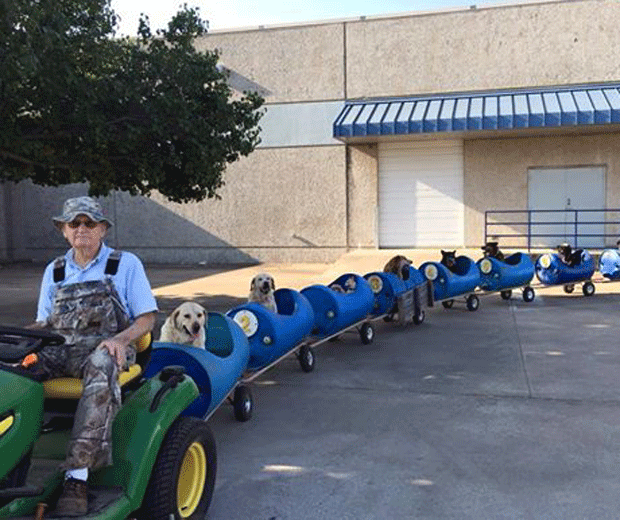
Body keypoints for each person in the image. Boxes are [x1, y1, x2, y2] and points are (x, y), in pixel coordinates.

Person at [33, 196, 157, 516]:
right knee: (13, 367)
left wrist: (120, 339)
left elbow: (146, 318)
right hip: (62, 348)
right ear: (63, 230)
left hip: (108, 346)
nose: (82, 229)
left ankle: (77, 478)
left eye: (90, 223)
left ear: (103, 229)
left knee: (102, 363)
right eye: (74, 223)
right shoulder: (55, 270)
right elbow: (43, 323)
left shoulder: (125, 264)